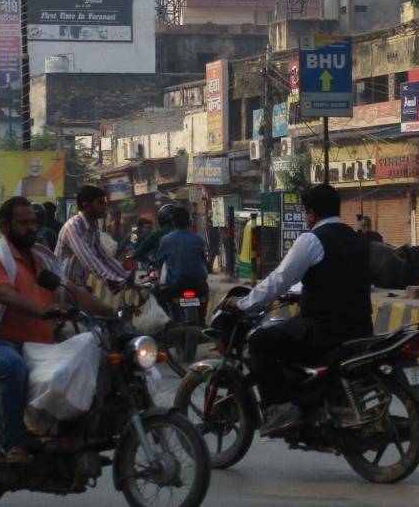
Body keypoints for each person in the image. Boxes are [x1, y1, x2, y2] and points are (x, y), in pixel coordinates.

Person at [0, 196, 115, 463]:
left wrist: (114, 313)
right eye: (22, 222)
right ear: (4, 225)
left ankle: (63, 433)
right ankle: (12, 443)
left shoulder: (41, 262)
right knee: (13, 367)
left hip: (40, 346)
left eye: (33, 222)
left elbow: (73, 293)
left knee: (84, 360)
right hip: (0, 343)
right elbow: (6, 295)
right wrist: (41, 311)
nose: (30, 227)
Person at [223, 183, 371, 436]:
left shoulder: (312, 240)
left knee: (258, 341)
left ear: (311, 212)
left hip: (322, 330)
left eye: (305, 213)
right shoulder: (358, 240)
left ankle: (279, 408)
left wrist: (244, 302)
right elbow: (337, 279)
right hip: (360, 328)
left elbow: (279, 280)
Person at [56, 185, 129, 290]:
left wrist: (125, 276)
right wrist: (115, 279)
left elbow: (105, 256)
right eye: (100, 203)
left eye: (104, 203)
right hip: (64, 288)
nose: (104, 207)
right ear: (86, 206)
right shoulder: (73, 226)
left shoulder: (93, 226)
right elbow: (89, 260)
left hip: (80, 286)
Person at [152, 206, 209, 310]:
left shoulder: (165, 240)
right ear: (189, 221)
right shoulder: (198, 239)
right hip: (198, 282)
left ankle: (167, 322)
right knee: (205, 294)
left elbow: (159, 262)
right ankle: (202, 318)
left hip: (176, 284)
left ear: (173, 222)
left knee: (157, 294)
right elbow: (203, 259)